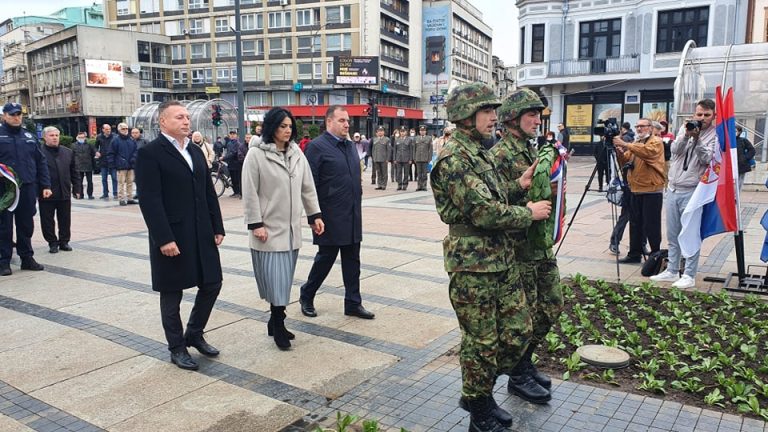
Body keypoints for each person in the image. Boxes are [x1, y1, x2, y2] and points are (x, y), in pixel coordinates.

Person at [431, 83, 551, 432]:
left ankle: (478, 394)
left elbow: (494, 194)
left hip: (500, 259)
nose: (493, 117)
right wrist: (528, 213)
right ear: (465, 116)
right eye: (486, 111)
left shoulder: (478, 152)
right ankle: (479, 409)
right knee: (481, 342)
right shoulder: (454, 158)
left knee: (517, 331)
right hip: (473, 266)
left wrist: (519, 184)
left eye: (493, 111)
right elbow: (483, 212)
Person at [135, 100, 226, 371]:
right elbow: (150, 200)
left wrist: (217, 226)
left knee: (212, 282)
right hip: (173, 235)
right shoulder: (151, 153)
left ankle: (194, 333)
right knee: (171, 292)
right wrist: (163, 238)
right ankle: (177, 347)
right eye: (179, 117)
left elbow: (209, 192)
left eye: (187, 117)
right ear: (163, 122)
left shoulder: (195, 151)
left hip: (201, 232)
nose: (186, 121)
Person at [492, 88, 562, 409]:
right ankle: (518, 373)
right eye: (531, 115)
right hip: (518, 250)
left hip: (538, 244)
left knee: (550, 306)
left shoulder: (530, 149)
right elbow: (492, 205)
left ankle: (525, 362)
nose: (537, 120)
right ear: (512, 119)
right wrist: (526, 201)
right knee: (523, 316)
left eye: (538, 114)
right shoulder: (501, 155)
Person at [242, 107, 324, 350]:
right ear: (271, 127)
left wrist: (314, 215)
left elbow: (307, 187)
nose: (287, 131)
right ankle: (278, 323)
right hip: (268, 229)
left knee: (284, 279)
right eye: (282, 126)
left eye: (290, 127)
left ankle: (274, 319)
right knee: (275, 281)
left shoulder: (297, 152)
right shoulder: (255, 155)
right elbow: (249, 192)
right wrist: (255, 223)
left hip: (290, 230)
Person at [299, 106, 375, 320]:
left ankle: (353, 302)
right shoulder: (316, 147)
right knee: (325, 259)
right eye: (342, 120)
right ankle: (307, 294)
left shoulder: (349, 145)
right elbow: (309, 184)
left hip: (352, 214)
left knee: (353, 261)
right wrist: (314, 215)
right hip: (329, 216)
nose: (347, 124)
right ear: (329, 122)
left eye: (348, 121)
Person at [651, 100, 717, 289]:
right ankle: (672, 270)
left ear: (713, 115)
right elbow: (674, 151)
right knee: (673, 233)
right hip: (673, 187)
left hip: (693, 190)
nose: (702, 119)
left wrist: (697, 140)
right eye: (699, 114)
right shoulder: (684, 127)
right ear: (694, 114)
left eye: (706, 115)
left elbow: (707, 159)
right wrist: (686, 135)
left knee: (690, 233)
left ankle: (689, 274)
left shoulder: (715, 135)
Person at [0, 102, 51, 276]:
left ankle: (26, 258)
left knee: (26, 224)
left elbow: (41, 161)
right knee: (4, 226)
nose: (16, 117)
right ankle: (4, 261)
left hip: (27, 187)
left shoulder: (29, 136)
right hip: (4, 189)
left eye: (19, 114)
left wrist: (45, 185)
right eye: (12, 114)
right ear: (4, 116)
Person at [613, 118, 666, 264]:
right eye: (637, 126)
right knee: (635, 223)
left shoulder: (655, 141)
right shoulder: (636, 143)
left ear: (650, 127)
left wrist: (625, 144)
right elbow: (626, 161)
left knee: (651, 224)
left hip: (651, 189)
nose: (639, 129)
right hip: (635, 188)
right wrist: (620, 153)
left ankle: (655, 254)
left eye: (642, 126)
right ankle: (634, 253)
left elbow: (649, 153)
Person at [39, 126, 78, 253]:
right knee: (47, 220)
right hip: (46, 192)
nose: (55, 138)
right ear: (44, 137)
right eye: (51, 135)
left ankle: (64, 241)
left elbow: (74, 171)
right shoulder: (39, 152)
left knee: (65, 218)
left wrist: (77, 188)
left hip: (64, 191)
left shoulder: (68, 152)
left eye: (56, 135)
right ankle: (52, 242)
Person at [109, 123, 138, 206]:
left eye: (126, 128)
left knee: (130, 182)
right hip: (121, 165)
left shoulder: (131, 140)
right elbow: (111, 153)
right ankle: (121, 198)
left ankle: (130, 198)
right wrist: (113, 164)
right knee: (121, 183)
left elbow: (136, 151)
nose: (125, 130)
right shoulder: (115, 140)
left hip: (130, 165)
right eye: (123, 129)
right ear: (119, 130)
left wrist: (133, 159)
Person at [95, 124, 117, 200]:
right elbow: (95, 146)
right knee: (104, 178)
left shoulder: (115, 137)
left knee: (114, 178)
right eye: (107, 129)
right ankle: (105, 193)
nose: (108, 131)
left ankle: (115, 193)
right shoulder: (99, 137)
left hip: (112, 160)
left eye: (109, 129)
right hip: (103, 160)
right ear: (103, 130)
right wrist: (97, 152)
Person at [72, 132, 96, 200]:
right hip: (78, 166)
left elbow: (92, 153)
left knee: (90, 181)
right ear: (77, 138)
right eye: (80, 137)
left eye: (82, 137)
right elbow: (72, 156)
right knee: (79, 182)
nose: (81, 139)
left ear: (85, 138)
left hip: (88, 165)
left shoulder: (89, 145)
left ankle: (90, 194)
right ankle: (81, 194)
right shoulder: (73, 145)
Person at [223, 130, 243, 198]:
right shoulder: (229, 143)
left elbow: (233, 153)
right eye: (231, 134)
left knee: (236, 179)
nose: (232, 135)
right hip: (230, 164)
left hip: (236, 164)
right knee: (233, 179)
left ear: (236, 135)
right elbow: (228, 152)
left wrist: (224, 157)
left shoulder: (237, 143)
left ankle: (238, 192)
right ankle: (235, 192)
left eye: (233, 134)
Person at [413, 125, 433, 191]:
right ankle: (419, 186)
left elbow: (430, 149)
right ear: (419, 131)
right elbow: (414, 149)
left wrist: (429, 158)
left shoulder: (429, 138)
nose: (422, 132)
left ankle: (424, 186)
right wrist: (414, 158)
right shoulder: (416, 138)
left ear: (426, 131)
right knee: (419, 173)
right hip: (418, 158)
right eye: (421, 131)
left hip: (425, 158)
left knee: (424, 173)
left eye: (423, 131)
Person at [736, 125, 755, 191]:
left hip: (741, 165)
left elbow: (752, 150)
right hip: (730, 165)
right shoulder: (728, 141)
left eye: (735, 131)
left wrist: (745, 158)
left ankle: (736, 198)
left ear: (739, 132)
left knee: (739, 182)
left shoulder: (743, 140)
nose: (734, 133)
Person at [371, 126, 391, 190]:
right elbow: (373, 149)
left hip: (384, 159)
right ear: (377, 132)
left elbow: (389, 150)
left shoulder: (387, 139)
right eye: (379, 131)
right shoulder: (375, 139)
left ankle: (384, 185)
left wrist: (388, 159)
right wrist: (374, 157)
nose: (380, 132)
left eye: (381, 131)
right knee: (378, 172)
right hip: (376, 158)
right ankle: (379, 184)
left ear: (384, 132)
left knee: (384, 172)